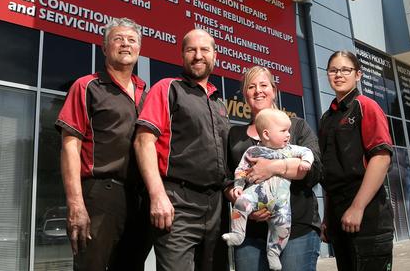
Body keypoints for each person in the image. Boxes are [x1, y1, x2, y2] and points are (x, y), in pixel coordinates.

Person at [55, 17, 150, 270]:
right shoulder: (87, 87)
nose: (125, 45)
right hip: (100, 194)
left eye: (131, 40)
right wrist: (75, 203)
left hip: (139, 199)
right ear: (104, 48)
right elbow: (70, 146)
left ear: (139, 50)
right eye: (118, 39)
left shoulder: (145, 93)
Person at [134, 29, 230, 271]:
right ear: (182, 55)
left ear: (214, 55)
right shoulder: (168, 88)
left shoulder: (219, 103)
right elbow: (143, 142)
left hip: (217, 207)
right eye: (191, 50)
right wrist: (157, 196)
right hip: (177, 203)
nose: (198, 55)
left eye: (204, 49)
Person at [226, 66, 322, 271]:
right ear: (245, 95)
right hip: (250, 236)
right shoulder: (235, 135)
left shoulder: (296, 127)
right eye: (251, 87)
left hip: (297, 230)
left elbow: (315, 171)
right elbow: (226, 179)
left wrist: (273, 167)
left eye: (263, 85)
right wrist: (242, 202)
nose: (257, 90)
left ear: (274, 90)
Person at [319, 50, 394, 271]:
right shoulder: (327, 118)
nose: (339, 75)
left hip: (368, 218)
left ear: (358, 74)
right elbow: (329, 174)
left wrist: (357, 207)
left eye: (345, 70)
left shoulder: (366, 106)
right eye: (333, 70)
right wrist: (327, 218)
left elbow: (381, 158)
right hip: (340, 219)